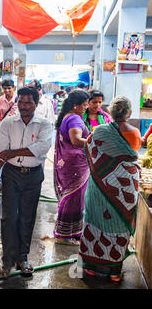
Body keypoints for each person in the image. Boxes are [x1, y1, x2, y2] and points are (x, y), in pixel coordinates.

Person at [0, 87, 53, 279]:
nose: (24, 107)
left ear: (36, 103)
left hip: (33, 175)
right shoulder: (7, 123)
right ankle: (7, 261)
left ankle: (22, 258)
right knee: (9, 217)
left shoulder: (44, 124)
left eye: (28, 103)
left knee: (27, 216)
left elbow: (43, 148)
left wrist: (14, 152)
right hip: (11, 175)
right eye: (21, 103)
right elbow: (2, 152)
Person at [79, 96, 141, 283]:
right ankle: (115, 272)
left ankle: (90, 268)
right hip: (125, 186)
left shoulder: (99, 131)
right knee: (119, 225)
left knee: (96, 220)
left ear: (111, 112)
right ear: (129, 113)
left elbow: (87, 150)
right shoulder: (136, 132)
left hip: (100, 184)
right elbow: (132, 156)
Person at [53, 89, 90, 245]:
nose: (86, 107)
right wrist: (94, 140)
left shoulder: (68, 116)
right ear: (75, 105)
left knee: (74, 198)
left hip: (70, 163)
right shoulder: (74, 118)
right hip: (75, 165)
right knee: (73, 197)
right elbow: (76, 140)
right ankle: (64, 235)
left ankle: (72, 232)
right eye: (84, 105)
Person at [0, 79, 17, 143]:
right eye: (5, 88)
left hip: (16, 129)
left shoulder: (19, 99)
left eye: (9, 88)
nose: (7, 90)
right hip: (3, 129)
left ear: (13, 87)